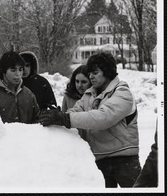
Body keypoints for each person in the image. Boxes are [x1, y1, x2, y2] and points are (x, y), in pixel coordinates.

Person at [39, 52, 141, 188]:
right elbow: (74, 112)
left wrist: (65, 118)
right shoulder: (89, 95)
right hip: (99, 160)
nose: (91, 76)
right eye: (90, 73)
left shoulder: (122, 92)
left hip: (124, 161)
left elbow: (103, 118)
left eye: (95, 73)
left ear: (107, 72)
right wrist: (55, 118)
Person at [0, 51, 40, 124]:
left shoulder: (29, 94)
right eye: (13, 70)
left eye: (20, 69)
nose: (18, 74)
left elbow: (37, 121)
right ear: (3, 71)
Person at [61, 65, 91, 140]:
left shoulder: (95, 97)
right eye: (77, 81)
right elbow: (63, 116)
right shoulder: (68, 96)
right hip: (75, 139)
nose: (79, 85)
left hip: (93, 141)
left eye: (84, 82)